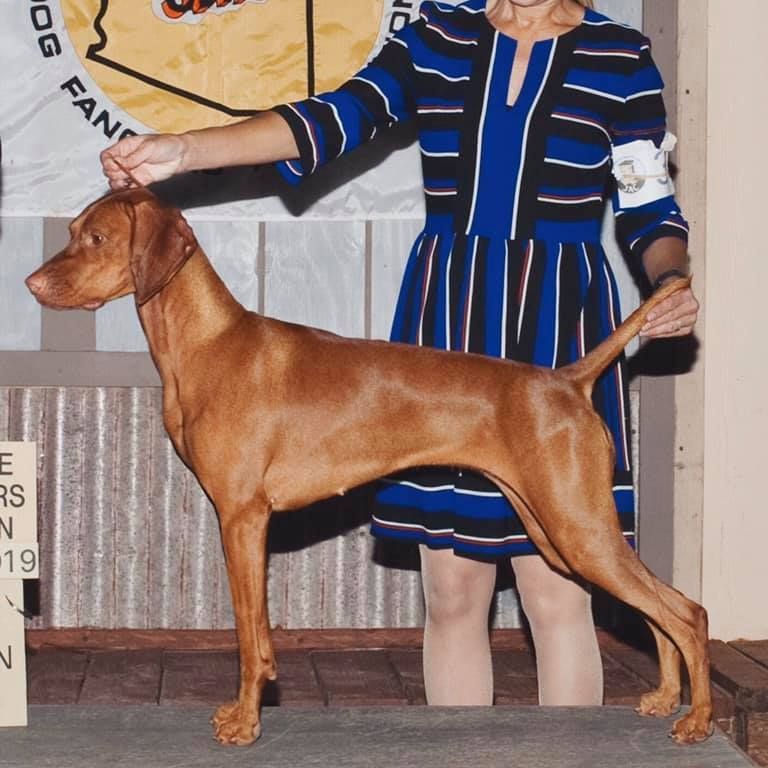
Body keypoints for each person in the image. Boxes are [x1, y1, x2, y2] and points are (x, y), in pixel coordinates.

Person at [102, 0, 700, 707]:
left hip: (557, 321)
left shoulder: (620, 57)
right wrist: (185, 150)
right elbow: (328, 120)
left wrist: (669, 281)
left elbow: (649, 207)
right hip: (443, 323)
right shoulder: (437, 38)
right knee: (450, 589)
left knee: (559, 590)